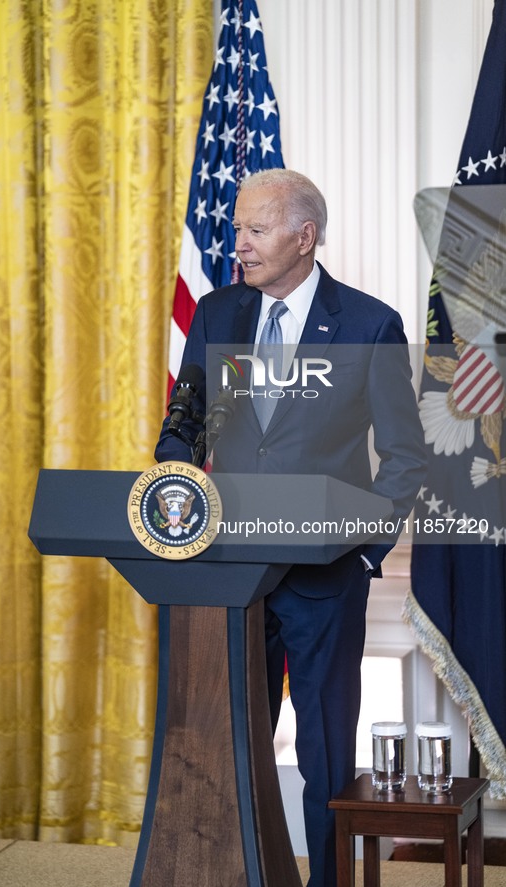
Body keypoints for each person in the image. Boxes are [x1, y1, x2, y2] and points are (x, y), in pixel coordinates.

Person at [155, 168, 426, 887]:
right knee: (224, 741)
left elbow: (404, 456)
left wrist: (363, 556)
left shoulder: (368, 323)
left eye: (253, 229)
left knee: (324, 753)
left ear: (303, 237)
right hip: (225, 574)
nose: (236, 242)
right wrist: (175, 482)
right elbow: (183, 424)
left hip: (321, 579)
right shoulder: (215, 315)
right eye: (237, 227)